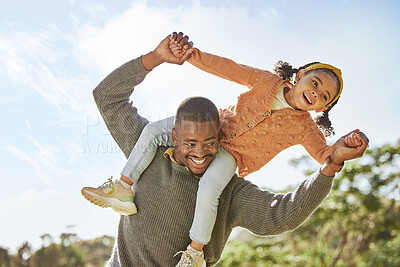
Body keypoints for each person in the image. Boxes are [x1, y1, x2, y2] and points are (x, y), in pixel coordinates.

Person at [84, 33, 368, 266]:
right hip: (121, 261)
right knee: (150, 131)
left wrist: (333, 162)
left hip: (233, 158)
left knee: (209, 189)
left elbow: (283, 211)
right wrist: (170, 56)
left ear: (322, 107)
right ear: (174, 134)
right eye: (315, 83)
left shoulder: (230, 191)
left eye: (323, 96)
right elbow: (228, 68)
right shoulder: (148, 150)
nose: (199, 152)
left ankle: (194, 254)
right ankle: (122, 187)